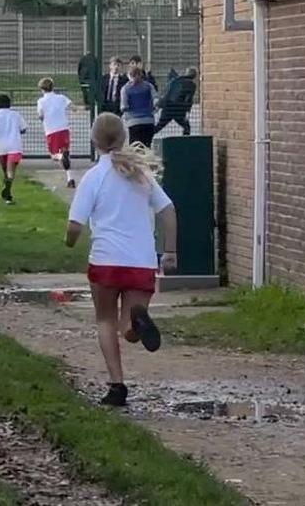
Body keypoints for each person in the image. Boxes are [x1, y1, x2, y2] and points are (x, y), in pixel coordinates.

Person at [66, 113, 177, 408]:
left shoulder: (93, 177)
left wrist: (69, 242)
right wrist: (170, 251)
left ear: (95, 141)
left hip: (106, 261)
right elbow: (168, 211)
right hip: (141, 261)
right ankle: (137, 324)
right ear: (124, 137)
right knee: (127, 329)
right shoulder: (141, 175)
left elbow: (75, 225)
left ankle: (117, 386)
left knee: (105, 320)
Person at [0, 94, 26, 204]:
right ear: (9, 104)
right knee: (10, 170)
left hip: (1, 148)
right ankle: (7, 189)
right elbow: (23, 129)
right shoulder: (16, 115)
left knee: (6, 171)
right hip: (15, 146)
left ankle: (8, 196)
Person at [37, 76, 75, 189]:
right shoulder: (61, 98)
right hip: (64, 129)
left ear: (42, 89)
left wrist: (42, 117)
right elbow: (72, 106)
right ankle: (70, 178)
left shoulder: (41, 101)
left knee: (54, 155)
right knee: (65, 152)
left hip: (51, 130)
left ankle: (60, 157)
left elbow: (41, 115)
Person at [153, 67, 197, 137]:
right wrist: (187, 111)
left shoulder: (176, 80)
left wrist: (159, 105)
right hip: (179, 110)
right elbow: (188, 99)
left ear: (186, 73)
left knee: (159, 126)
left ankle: (146, 137)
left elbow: (167, 93)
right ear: (194, 76)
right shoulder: (192, 85)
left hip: (168, 108)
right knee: (186, 127)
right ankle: (185, 141)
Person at [120, 65, 157, 146]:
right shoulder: (149, 86)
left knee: (135, 147)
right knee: (147, 146)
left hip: (133, 122)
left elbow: (124, 107)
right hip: (148, 121)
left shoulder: (125, 89)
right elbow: (156, 101)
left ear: (129, 75)